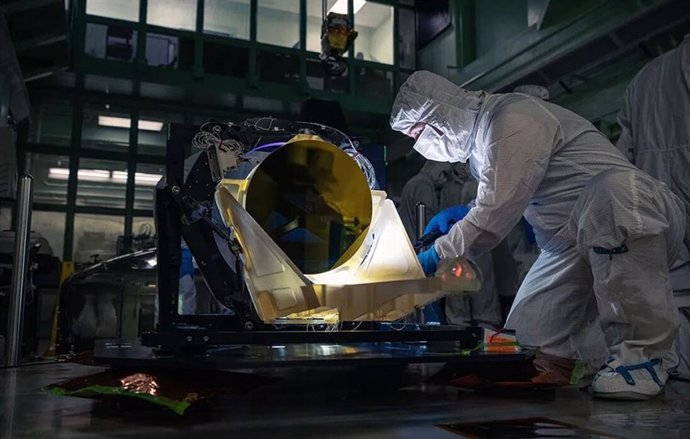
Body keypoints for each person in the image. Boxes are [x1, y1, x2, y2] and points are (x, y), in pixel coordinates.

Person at [390, 70, 686, 400]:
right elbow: (495, 198)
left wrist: (431, 259)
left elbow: (491, 218)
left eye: (417, 132)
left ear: (440, 112)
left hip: (633, 213)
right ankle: (591, 361)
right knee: (525, 348)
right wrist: (460, 215)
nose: (420, 144)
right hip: (570, 243)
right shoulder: (484, 144)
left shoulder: (512, 118)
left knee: (610, 190)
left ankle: (643, 360)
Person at [616, 33, 690, 379]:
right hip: (665, 204)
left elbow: (621, 161)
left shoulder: (645, 77)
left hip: (662, 213)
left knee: (674, 300)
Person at [398, 160, 451, 241]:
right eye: (443, 174)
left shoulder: (413, 182)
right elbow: (427, 220)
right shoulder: (424, 186)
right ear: (435, 169)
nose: (444, 180)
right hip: (417, 243)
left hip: (407, 239)